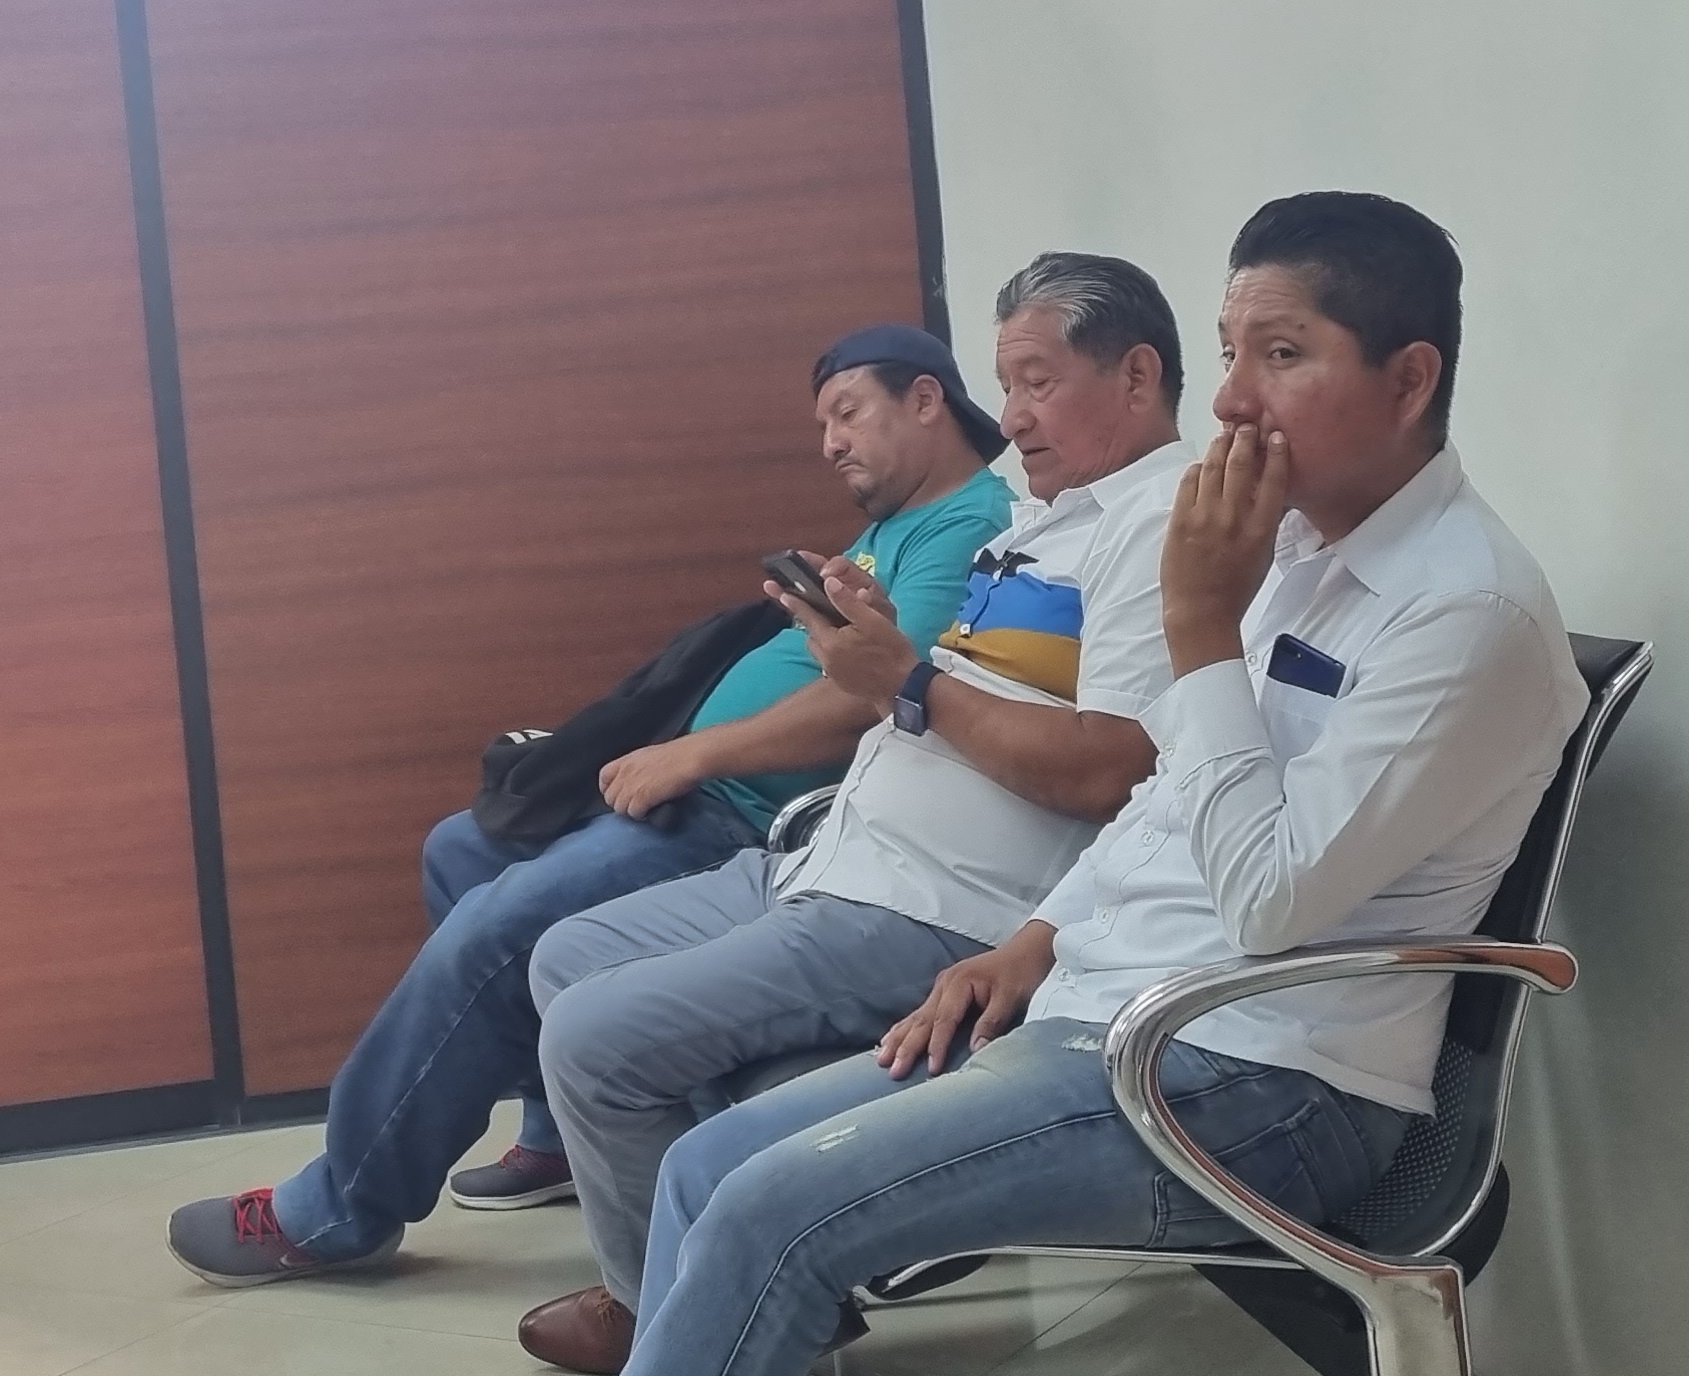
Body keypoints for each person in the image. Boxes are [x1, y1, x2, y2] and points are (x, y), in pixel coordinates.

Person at [616, 194, 1591, 1376]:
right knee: (706, 1166)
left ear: (1410, 379)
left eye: (1283, 355)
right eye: (1231, 354)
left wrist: (1201, 630)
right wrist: (1035, 937)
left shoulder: (1466, 611)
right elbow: (1172, 795)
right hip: (1108, 1009)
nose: (1231, 400)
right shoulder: (1292, 552)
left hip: (1260, 1077)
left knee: (773, 1211)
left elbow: (1271, 904)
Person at [164, 325, 1018, 1286]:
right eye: (823, 424)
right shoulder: (894, 529)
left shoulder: (968, 525)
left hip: (747, 819)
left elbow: (881, 693)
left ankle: (336, 1209)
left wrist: (693, 754)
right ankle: (557, 1138)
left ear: (925, 399)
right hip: (704, 793)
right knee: (463, 849)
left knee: (497, 928)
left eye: (847, 414)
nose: (830, 443)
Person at [508, 254, 1199, 1371]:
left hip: (939, 905)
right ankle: (731, 1288)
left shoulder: (1162, 524)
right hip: (837, 857)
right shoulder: (1046, 519)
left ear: (1137, 375)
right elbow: (966, 697)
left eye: (1037, 382)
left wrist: (905, 680)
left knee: (595, 1039)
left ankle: (672, 1310)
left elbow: (1109, 771)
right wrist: (879, 648)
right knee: (568, 956)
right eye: (1006, 385)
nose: (1011, 417)